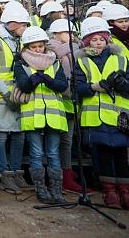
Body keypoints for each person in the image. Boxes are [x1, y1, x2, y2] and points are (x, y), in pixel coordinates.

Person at [75, 17, 129, 209]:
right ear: (87, 41)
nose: (98, 43)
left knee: (122, 155)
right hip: (95, 116)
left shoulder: (121, 59)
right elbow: (77, 88)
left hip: (119, 117)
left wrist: (123, 85)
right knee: (103, 155)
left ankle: (125, 191)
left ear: (107, 40)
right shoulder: (81, 62)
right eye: (94, 40)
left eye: (101, 39)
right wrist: (94, 87)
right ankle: (109, 193)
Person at [14, 26, 68, 204]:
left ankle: (56, 189)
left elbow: (62, 85)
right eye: (34, 47)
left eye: (40, 46)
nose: (38, 50)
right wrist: (33, 80)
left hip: (54, 115)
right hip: (33, 114)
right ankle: (40, 188)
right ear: (27, 47)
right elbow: (23, 85)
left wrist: (49, 81)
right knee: (36, 153)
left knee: (53, 153)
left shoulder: (55, 61)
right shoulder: (21, 63)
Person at [0, 1, 30, 194]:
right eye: (23, 24)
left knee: (19, 135)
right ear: (12, 24)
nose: (26, 28)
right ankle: (4, 174)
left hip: (20, 94)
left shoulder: (21, 39)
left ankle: (16, 173)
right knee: (1, 135)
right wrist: (6, 94)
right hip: (0, 96)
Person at [48, 18, 83, 194]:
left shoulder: (76, 51)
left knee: (67, 141)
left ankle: (67, 175)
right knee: (59, 142)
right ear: (56, 34)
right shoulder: (52, 52)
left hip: (72, 102)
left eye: (72, 33)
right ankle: (61, 178)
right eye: (67, 33)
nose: (71, 36)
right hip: (58, 101)